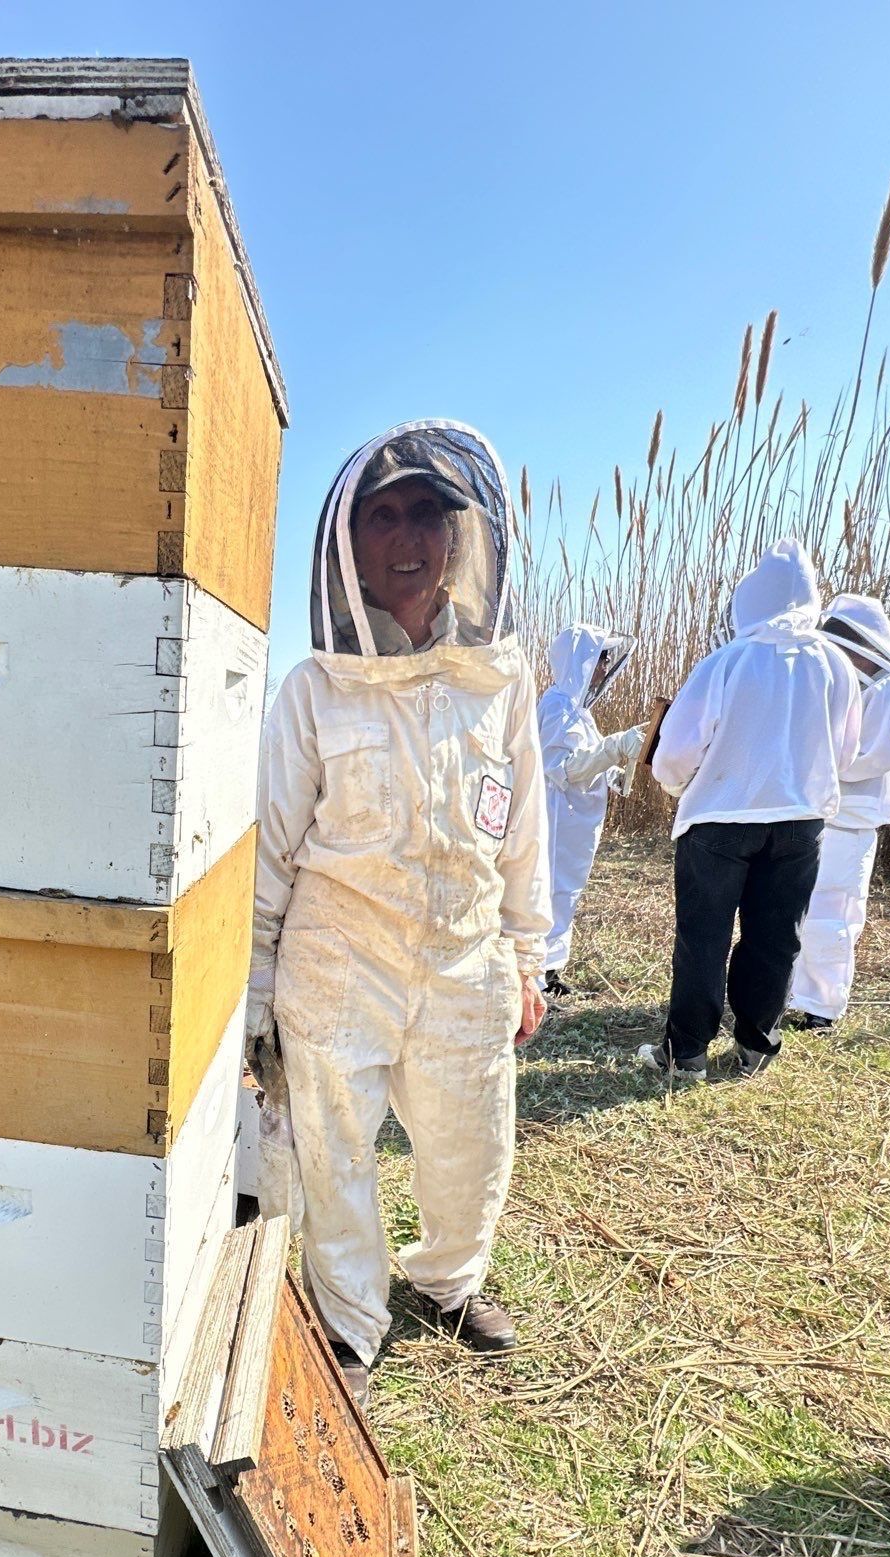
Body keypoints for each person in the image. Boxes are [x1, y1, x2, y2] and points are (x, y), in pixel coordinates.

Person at [247, 421, 551, 1404]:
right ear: (351, 545)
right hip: (340, 959)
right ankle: (347, 1324)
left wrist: (528, 956)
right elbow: (269, 848)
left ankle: (449, 1281)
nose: (409, 536)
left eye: (430, 512)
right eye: (385, 516)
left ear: (467, 538)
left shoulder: (496, 681)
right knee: (334, 1152)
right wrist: (255, 993)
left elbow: (524, 832)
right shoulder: (314, 692)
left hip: (466, 956)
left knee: (474, 1140)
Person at [636, 537, 861, 1083]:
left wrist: (674, 786)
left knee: (703, 938)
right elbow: (846, 750)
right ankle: (756, 1047)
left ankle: (686, 1054)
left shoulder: (726, 663)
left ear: (750, 599)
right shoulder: (835, 664)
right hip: (800, 822)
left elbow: (677, 751)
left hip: (719, 819)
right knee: (776, 937)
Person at [786, 593, 890, 1029]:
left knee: (834, 919)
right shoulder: (853, 688)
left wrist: (816, 754)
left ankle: (820, 1009)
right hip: (819, 819)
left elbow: (877, 754)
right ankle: (792, 996)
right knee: (801, 914)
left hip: (852, 825)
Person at [537, 625, 644, 998]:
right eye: (599, 658)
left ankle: (550, 972)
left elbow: (591, 761)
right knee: (551, 890)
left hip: (576, 821)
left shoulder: (578, 712)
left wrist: (623, 765)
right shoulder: (556, 705)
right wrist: (614, 747)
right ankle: (537, 977)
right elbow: (562, 767)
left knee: (566, 892)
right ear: (578, 659)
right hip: (556, 819)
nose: (604, 667)